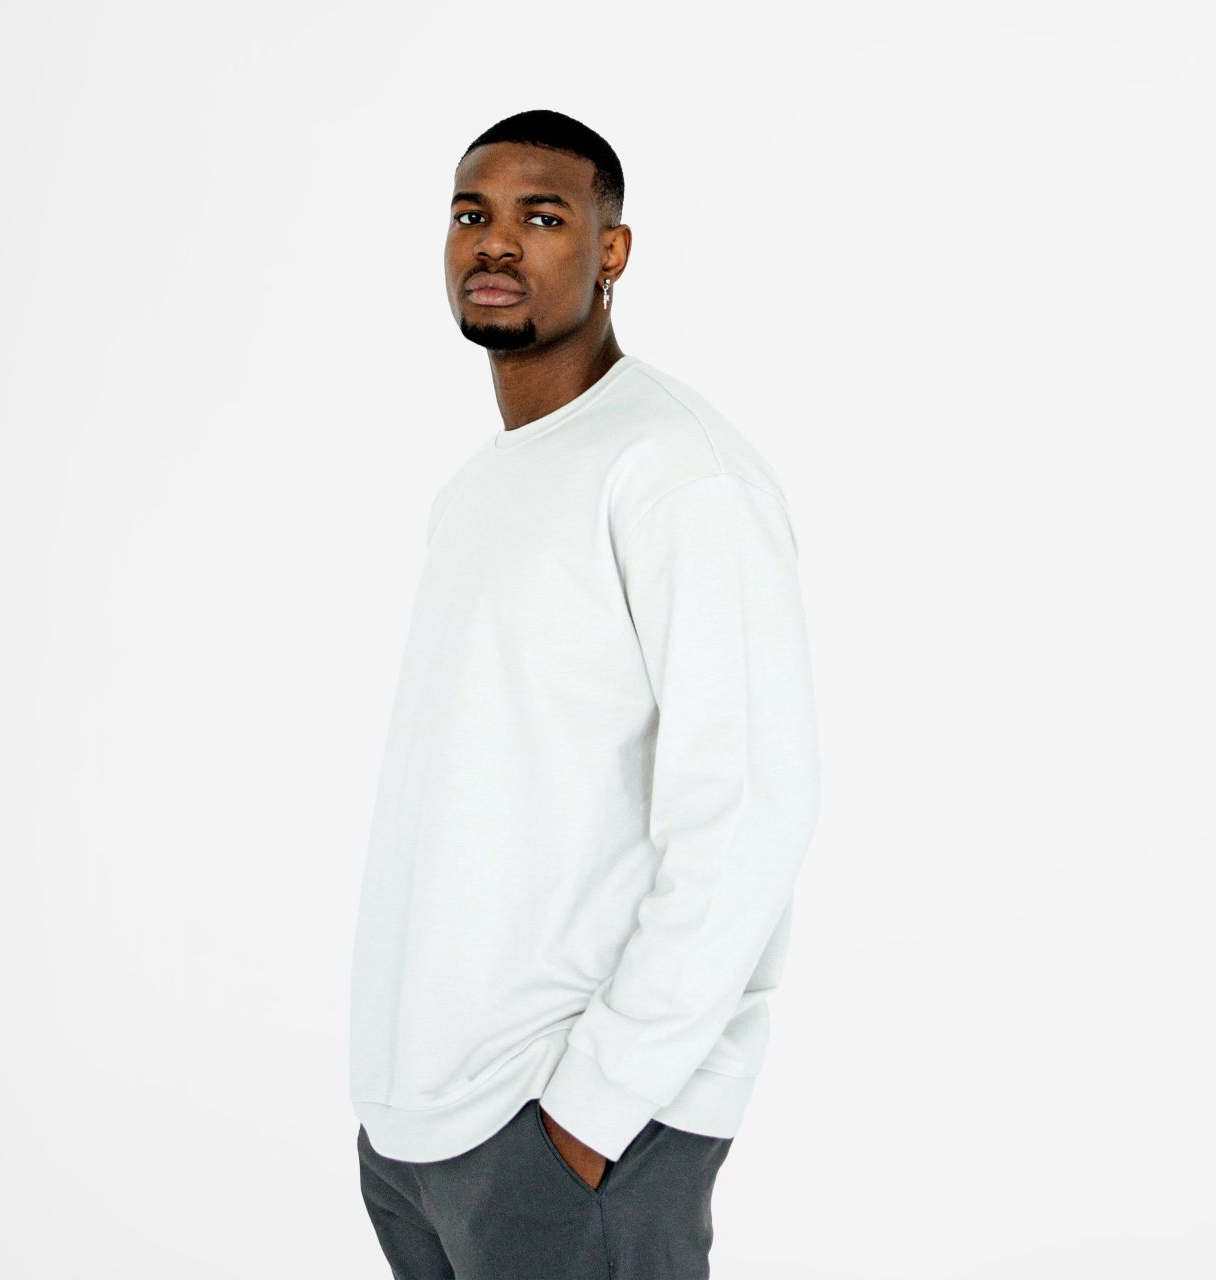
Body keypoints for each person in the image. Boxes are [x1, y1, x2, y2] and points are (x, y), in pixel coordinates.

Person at [350, 108, 822, 1279]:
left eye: (542, 216)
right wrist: (392, 1105)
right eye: (472, 213)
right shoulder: (476, 490)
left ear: (611, 251)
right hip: (424, 1135)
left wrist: (591, 1109)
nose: (495, 242)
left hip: (570, 1135)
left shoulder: (675, 473)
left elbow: (748, 806)